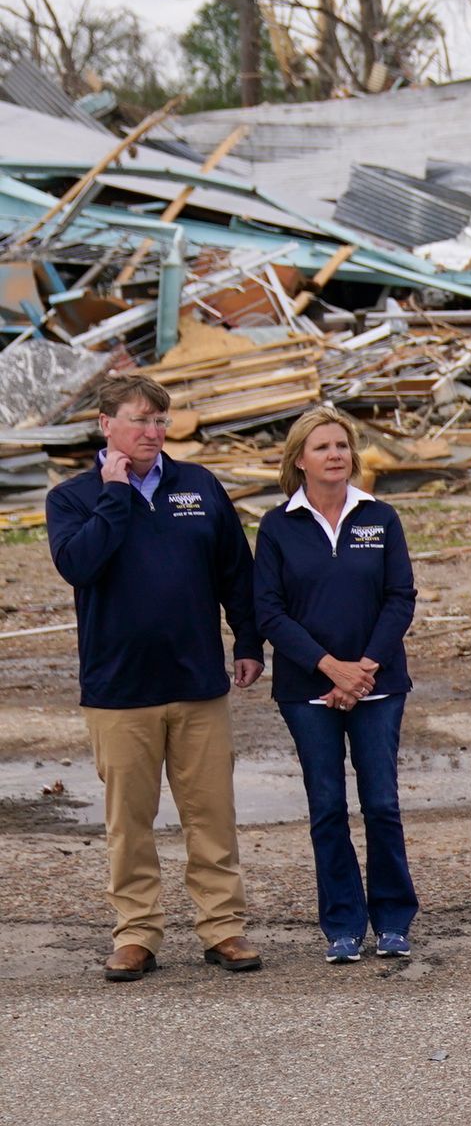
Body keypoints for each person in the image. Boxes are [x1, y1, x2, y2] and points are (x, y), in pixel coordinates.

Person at [46, 374, 265, 980]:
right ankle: (136, 933)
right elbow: (80, 565)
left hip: (197, 681)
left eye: (161, 422)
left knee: (211, 815)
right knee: (130, 822)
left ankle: (223, 927)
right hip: (119, 690)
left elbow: (234, 572)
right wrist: (115, 495)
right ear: (105, 424)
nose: (153, 432)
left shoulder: (198, 486)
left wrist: (248, 641)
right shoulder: (74, 497)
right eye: (141, 420)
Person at [254, 406, 419, 964]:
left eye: (343, 446)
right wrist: (331, 668)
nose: (335, 455)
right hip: (308, 689)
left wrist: (364, 668)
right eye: (322, 447)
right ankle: (343, 927)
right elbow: (269, 612)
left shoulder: (381, 517)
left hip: (379, 684)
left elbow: (401, 598)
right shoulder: (278, 526)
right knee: (326, 806)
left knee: (381, 804)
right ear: (298, 459)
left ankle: (394, 920)